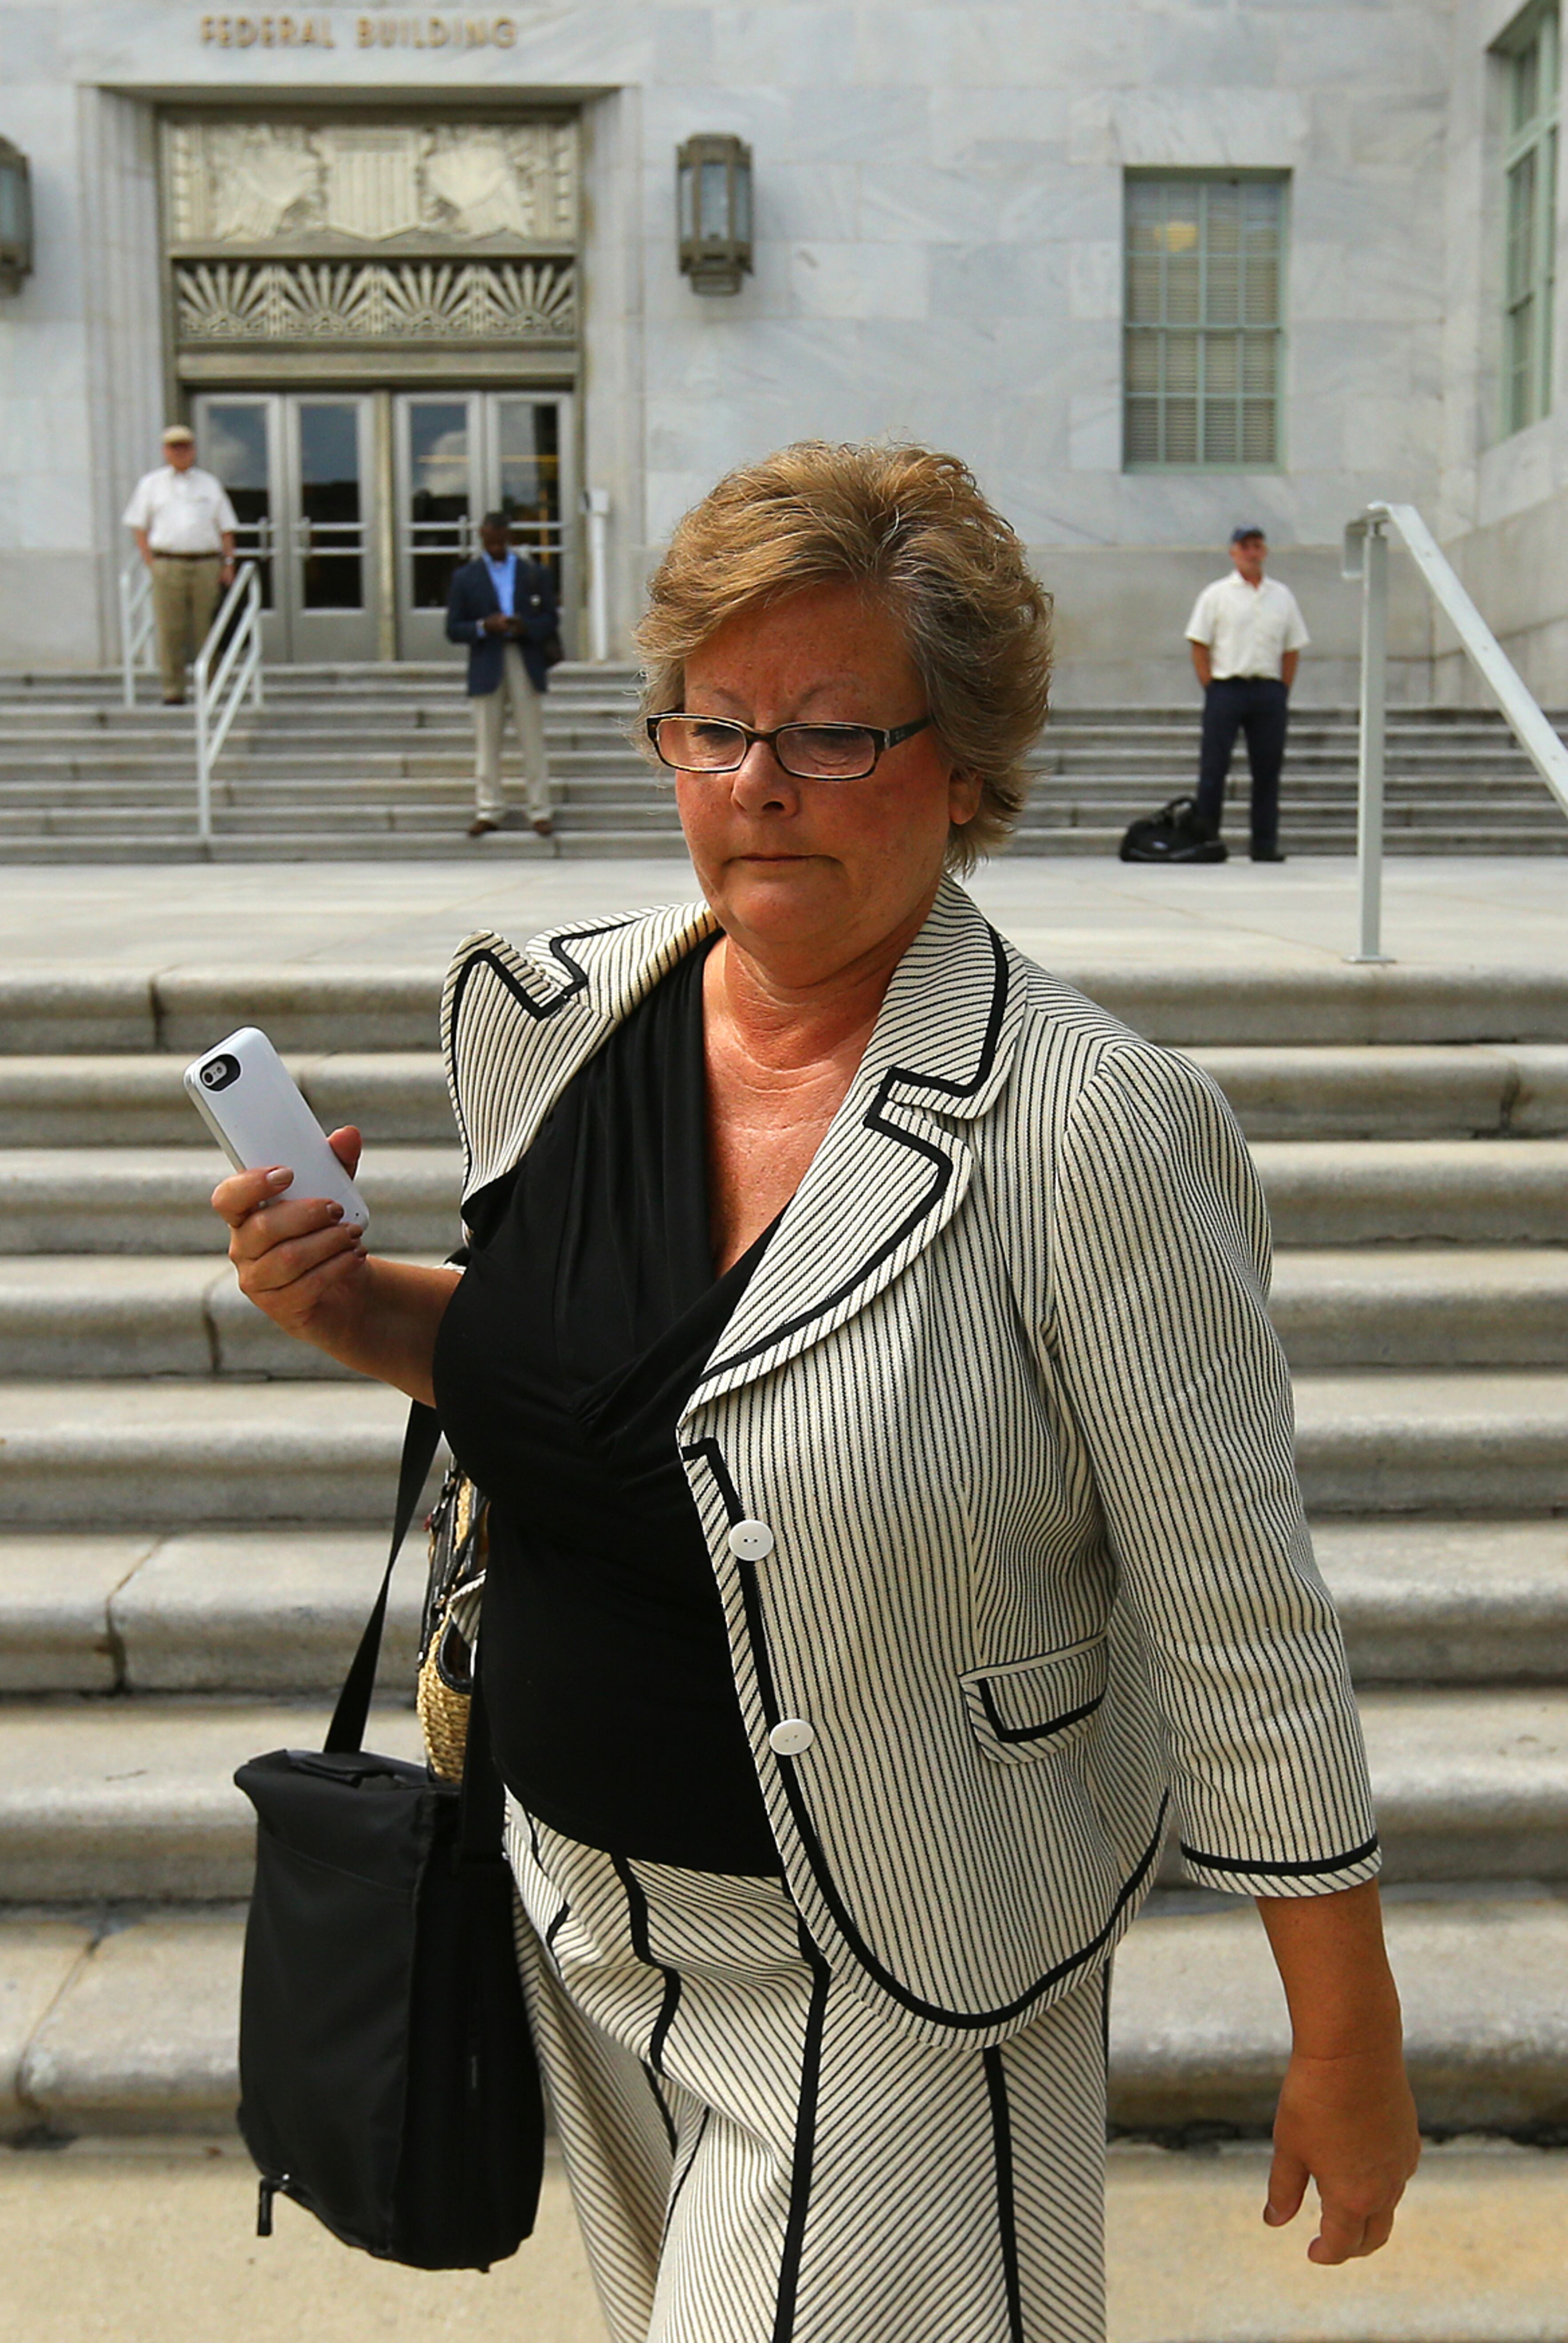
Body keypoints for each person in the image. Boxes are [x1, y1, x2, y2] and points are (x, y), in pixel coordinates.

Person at [213, 442, 1418, 2343]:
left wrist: (1346, 2029)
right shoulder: (550, 1015)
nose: (756, 781)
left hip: (895, 1962)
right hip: (574, 1924)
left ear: (965, 768)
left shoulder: (1095, 1126)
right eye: (713, 723)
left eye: (834, 732)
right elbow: (614, 1388)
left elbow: (1237, 1609)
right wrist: (364, 1306)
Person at [1185, 525, 1310, 862]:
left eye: (1257, 546)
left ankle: (1265, 844)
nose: (1252, 553)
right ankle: (1207, 841)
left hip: (1268, 690)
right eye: (1245, 547)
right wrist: (1211, 686)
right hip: (1227, 688)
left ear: (1264, 551)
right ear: (1234, 553)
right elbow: (1199, 643)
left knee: (1268, 769)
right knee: (1214, 768)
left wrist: (1282, 690)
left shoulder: (1282, 596)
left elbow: (1292, 647)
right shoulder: (1216, 595)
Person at [444, 511, 558, 838]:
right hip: (487, 661)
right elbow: (453, 628)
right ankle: (489, 809)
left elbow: (550, 619)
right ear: (482, 537)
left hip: (524, 658)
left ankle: (540, 809)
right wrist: (484, 626)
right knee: (487, 741)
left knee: (532, 739)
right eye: (489, 539)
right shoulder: (466, 577)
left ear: (509, 537)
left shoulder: (532, 573)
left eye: (500, 539)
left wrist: (525, 626)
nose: (495, 545)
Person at [122, 425, 238, 706]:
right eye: (174, 447)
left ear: (194, 451)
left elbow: (226, 527)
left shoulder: (209, 484)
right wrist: (150, 561)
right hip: (168, 563)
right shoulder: (151, 484)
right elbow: (139, 526)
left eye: (185, 447)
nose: (181, 452)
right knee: (170, 629)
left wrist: (229, 563)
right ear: (165, 452)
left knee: (206, 628)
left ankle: (210, 687)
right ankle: (173, 689)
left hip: (206, 564)